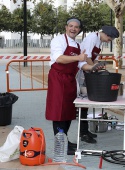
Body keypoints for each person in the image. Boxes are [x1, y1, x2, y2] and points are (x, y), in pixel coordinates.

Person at [45, 17, 103, 155]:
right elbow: (59, 58)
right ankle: (60, 145)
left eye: (76, 27)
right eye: (71, 26)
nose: (73, 29)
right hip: (58, 79)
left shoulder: (77, 46)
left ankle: (65, 141)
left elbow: (82, 65)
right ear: (66, 27)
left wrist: (94, 67)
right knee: (58, 112)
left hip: (70, 80)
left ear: (79, 30)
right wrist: (78, 58)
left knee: (68, 112)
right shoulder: (58, 40)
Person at [77, 26, 119, 144]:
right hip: (82, 71)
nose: (109, 41)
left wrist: (98, 66)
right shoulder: (92, 38)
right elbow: (88, 57)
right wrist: (94, 69)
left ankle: (85, 131)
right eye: (110, 39)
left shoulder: (98, 40)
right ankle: (83, 133)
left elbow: (94, 58)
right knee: (83, 103)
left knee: (86, 104)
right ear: (106, 34)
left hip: (88, 71)